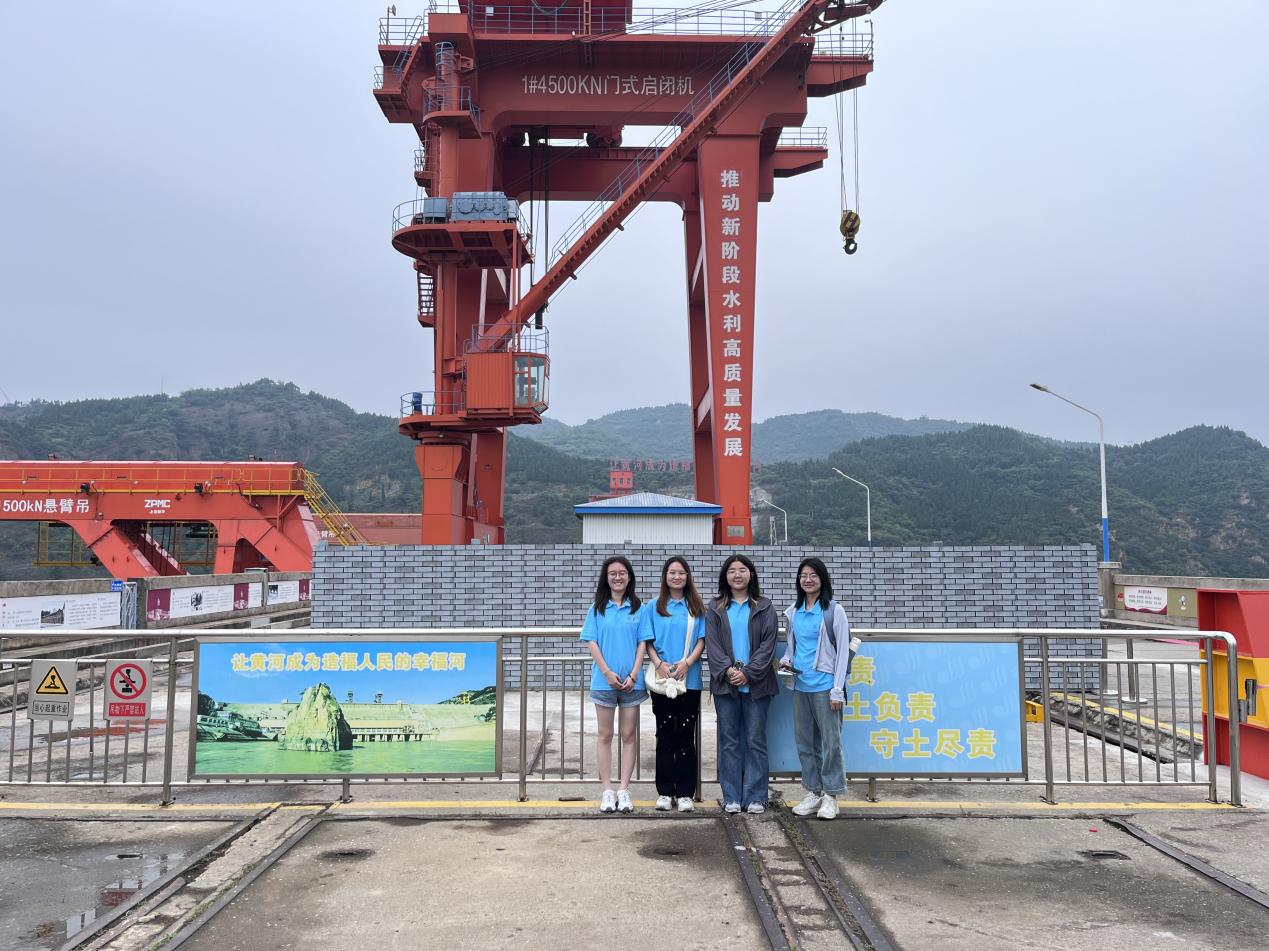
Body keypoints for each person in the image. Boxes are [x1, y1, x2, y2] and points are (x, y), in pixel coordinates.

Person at [779, 557, 852, 820]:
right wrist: (787, 660)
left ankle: (832, 796)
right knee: (805, 743)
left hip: (825, 686)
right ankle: (814, 791)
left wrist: (837, 689)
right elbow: (793, 647)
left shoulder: (834, 611)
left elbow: (843, 653)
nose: (808, 580)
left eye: (813, 575)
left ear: (823, 579)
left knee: (831, 743)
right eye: (803, 576)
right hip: (800, 686)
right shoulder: (794, 612)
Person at [705, 554, 778, 814]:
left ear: (751, 574)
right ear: (725, 576)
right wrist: (728, 671)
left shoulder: (764, 607)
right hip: (726, 686)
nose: (737, 575)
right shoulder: (715, 608)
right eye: (732, 570)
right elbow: (712, 644)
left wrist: (748, 673)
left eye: (742, 570)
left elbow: (768, 645)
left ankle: (756, 796)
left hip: (757, 685)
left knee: (755, 740)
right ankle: (732, 796)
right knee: (729, 742)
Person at [580, 555, 650, 814]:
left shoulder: (639, 608)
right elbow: (592, 642)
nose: (617, 577)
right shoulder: (597, 609)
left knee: (629, 735)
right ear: (606, 578)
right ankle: (607, 790)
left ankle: (624, 789)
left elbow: (643, 643)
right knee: (605, 735)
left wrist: (634, 674)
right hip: (604, 682)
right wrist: (608, 672)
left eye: (622, 573)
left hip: (632, 683)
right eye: (613, 573)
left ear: (629, 577)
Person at [639, 556, 707, 813]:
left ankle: (686, 792)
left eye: (681, 573)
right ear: (665, 577)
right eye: (672, 572)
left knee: (686, 736)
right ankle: (665, 791)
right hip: (662, 678)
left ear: (688, 577)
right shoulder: (653, 606)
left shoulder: (696, 607)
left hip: (690, 679)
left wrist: (687, 663)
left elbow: (701, 641)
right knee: (665, 733)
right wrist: (659, 663)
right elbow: (647, 641)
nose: (676, 577)